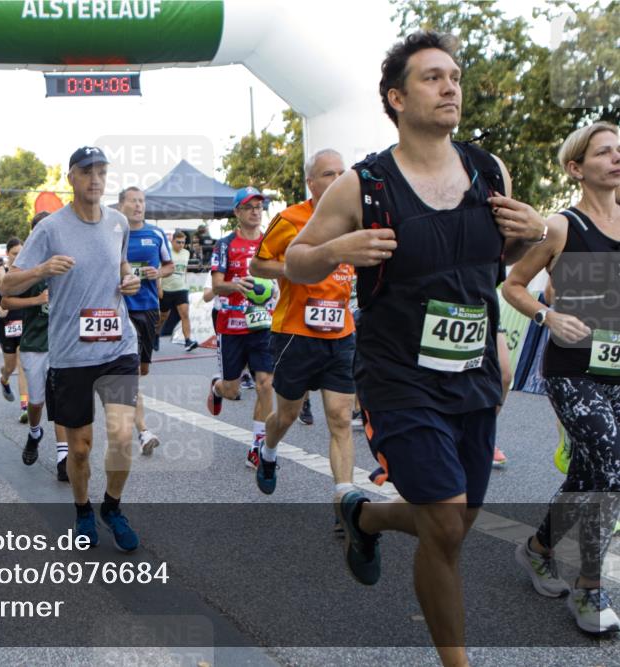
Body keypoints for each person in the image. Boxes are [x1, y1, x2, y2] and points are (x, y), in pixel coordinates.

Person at [283, 31, 545, 666]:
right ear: (397, 97)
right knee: (447, 520)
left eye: (454, 75)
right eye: (432, 77)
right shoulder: (363, 183)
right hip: (398, 375)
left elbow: (498, 261)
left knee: (452, 525)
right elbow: (293, 260)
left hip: (475, 370)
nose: (450, 85)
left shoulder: (488, 169)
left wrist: (535, 232)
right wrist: (336, 251)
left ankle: (363, 517)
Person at [500, 121, 620, 634]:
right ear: (577, 168)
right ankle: (590, 592)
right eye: (604, 152)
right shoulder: (562, 226)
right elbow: (514, 285)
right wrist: (547, 316)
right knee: (613, 469)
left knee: (590, 473)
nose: (616, 158)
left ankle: (538, 549)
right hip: (573, 368)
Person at [2, 145, 142, 551]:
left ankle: (112, 508)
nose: (95, 179)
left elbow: (121, 264)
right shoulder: (50, 229)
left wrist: (129, 278)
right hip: (70, 353)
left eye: (101, 171)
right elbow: (8, 284)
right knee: (79, 448)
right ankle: (82, 509)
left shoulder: (118, 222)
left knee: (121, 436)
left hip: (118, 346)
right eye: (86, 172)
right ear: (71, 179)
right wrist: (43, 270)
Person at [250, 148, 356, 503]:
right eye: (329, 174)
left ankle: (345, 504)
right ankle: (268, 451)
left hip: (341, 333)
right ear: (311, 182)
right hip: (295, 333)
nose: (338, 180)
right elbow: (259, 265)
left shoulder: (356, 218)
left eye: (342, 173)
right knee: (288, 414)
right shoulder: (291, 219)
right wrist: (299, 267)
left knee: (340, 418)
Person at [207, 186, 275, 470]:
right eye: (248, 207)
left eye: (259, 206)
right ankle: (217, 388)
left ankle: (257, 447)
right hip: (232, 326)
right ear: (237, 212)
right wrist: (238, 285)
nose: (255, 211)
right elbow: (216, 285)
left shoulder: (271, 242)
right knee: (233, 389)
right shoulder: (225, 244)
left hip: (262, 325)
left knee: (265, 384)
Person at [1, 211, 71, 479]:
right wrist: (37, 300)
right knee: (37, 401)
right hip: (34, 342)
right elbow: (6, 301)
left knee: (62, 399)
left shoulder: (67, 259)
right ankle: (34, 432)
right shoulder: (25, 264)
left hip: (62, 343)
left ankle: (63, 456)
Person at [118, 186, 174, 455]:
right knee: (129, 375)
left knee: (141, 371)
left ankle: (125, 403)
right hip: (122, 310)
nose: (138, 205)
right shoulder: (115, 234)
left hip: (149, 308)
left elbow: (170, 266)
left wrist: (157, 273)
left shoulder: (156, 233)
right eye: (133, 201)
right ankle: (142, 430)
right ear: (121, 206)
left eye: (141, 201)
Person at [0, 238, 30, 423]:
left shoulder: (27, 271)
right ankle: (3, 378)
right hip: (6, 323)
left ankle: (24, 407)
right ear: (8, 254)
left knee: (22, 366)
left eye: (21, 253)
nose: (18, 256)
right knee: (10, 367)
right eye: (15, 253)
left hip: (24, 323)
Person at [158, 230, 199, 351]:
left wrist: (186, 284)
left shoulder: (186, 253)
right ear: (172, 241)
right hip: (166, 289)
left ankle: (188, 341)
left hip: (181, 289)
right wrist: (159, 287)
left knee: (185, 314)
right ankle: (155, 334)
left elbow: (184, 270)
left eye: (183, 242)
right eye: (178, 242)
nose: (181, 245)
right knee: (163, 316)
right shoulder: (166, 253)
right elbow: (159, 269)